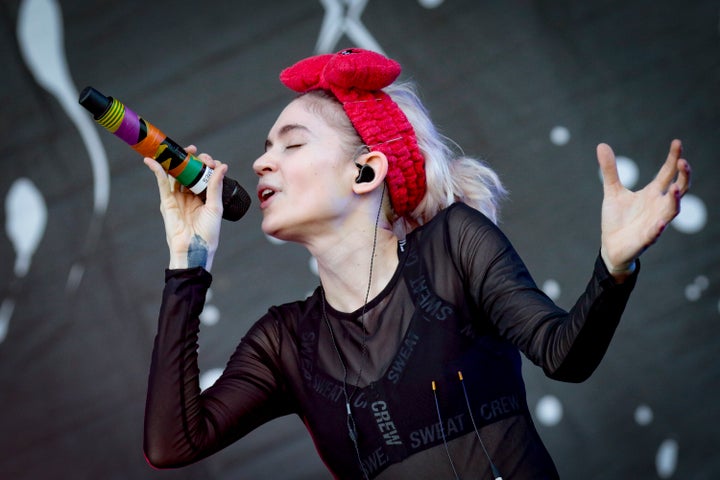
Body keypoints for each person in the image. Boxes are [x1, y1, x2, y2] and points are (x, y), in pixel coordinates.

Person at [141, 48, 691, 479]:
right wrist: (188, 262)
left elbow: (562, 352)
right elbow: (172, 444)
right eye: (267, 147)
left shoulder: (453, 248)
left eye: (291, 144)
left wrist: (613, 268)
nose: (261, 161)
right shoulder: (283, 341)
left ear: (365, 172)